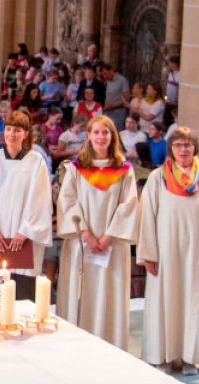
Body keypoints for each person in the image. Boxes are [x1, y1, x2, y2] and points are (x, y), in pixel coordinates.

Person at [137, 127, 199, 375]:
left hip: (197, 254)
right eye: (178, 145)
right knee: (164, 301)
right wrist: (148, 253)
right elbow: (147, 215)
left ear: (195, 148)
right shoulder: (158, 178)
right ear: (171, 149)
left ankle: (190, 357)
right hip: (165, 252)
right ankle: (162, 355)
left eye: (188, 145)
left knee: (193, 302)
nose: (183, 150)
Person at [55, 115, 139, 349]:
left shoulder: (124, 171)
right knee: (80, 294)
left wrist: (108, 237)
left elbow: (129, 205)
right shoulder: (76, 169)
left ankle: (110, 346)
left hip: (112, 244)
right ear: (88, 136)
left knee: (109, 293)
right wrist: (86, 234)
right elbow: (68, 202)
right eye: (96, 132)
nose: (101, 137)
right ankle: (75, 347)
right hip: (81, 244)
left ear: (113, 137)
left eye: (106, 132)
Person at [0, 111, 53, 298]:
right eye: (8, 129)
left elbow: (40, 200)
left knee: (20, 294)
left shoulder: (36, 162)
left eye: (17, 130)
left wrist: (25, 231)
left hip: (23, 238)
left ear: (25, 133)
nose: (11, 134)